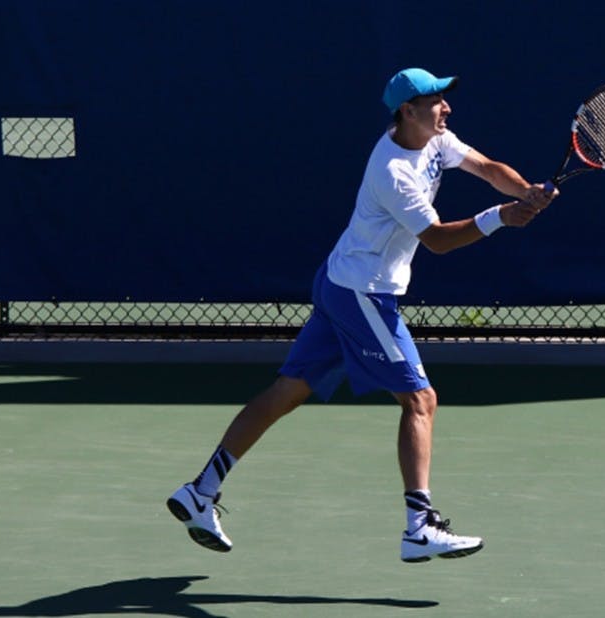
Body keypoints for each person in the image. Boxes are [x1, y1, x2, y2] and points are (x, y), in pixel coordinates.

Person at [166, 67, 556, 563]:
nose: (447, 108)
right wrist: (501, 216)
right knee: (420, 400)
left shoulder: (434, 137)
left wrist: (524, 192)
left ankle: (201, 490)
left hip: (337, 279)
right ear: (407, 112)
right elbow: (436, 240)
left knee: (288, 391)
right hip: (363, 294)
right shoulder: (393, 170)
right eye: (436, 101)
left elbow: (486, 166)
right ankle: (419, 526)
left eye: (444, 99)